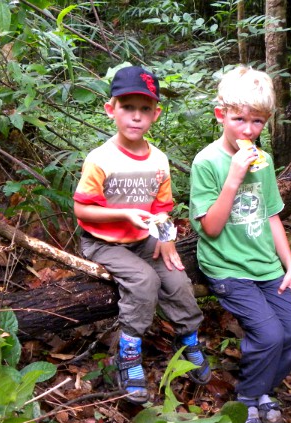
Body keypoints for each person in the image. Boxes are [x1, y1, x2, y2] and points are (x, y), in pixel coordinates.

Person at [73, 65, 211, 404]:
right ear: (111, 110)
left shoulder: (158, 160)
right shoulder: (101, 159)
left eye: (145, 109)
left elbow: (162, 207)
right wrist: (123, 212)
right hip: (103, 242)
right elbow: (82, 210)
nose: (136, 117)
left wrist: (165, 239)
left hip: (143, 238)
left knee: (178, 279)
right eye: (128, 107)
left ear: (156, 113)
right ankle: (129, 351)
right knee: (144, 281)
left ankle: (188, 339)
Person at [189, 66, 291, 423]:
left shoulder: (266, 161)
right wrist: (234, 178)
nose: (247, 130)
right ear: (221, 115)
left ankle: (261, 389)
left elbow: (272, 215)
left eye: (256, 122)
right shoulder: (207, 162)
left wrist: (290, 267)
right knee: (270, 334)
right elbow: (210, 227)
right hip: (227, 267)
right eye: (239, 119)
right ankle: (246, 397)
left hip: (266, 266)